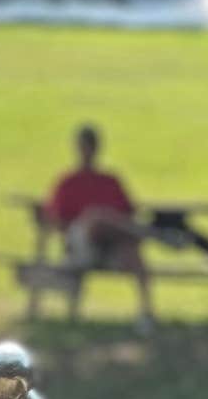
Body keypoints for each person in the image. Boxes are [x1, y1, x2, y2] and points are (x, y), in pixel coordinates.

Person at [39, 122, 153, 320]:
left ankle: (146, 313)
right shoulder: (68, 182)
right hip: (82, 246)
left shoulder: (110, 181)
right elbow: (55, 221)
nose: (87, 151)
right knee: (96, 217)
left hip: (112, 246)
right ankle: (150, 233)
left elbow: (129, 212)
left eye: (90, 146)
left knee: (131, 250)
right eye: (84, 146)